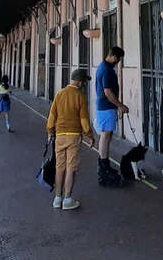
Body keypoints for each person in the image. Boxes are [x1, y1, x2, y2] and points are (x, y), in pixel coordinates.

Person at [46, 67, 93, 211]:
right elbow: (84, 121)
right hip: (74, 137)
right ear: (79, 82)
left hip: (59, 136)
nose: (84, 84)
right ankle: (67, 199)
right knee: (71, 168)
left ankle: (57, 198)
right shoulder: (80, 96)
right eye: (84, 82)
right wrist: (90, 136)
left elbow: (51, 117)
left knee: (59, 167)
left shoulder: (59, 94)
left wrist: (50, 131)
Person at [93, 46, 129, 166]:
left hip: (106, 106)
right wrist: (120, 105)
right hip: (106, 106)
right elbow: (107, 92)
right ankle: (103, 164)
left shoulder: (103, 67)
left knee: (107, 134)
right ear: (113, 57)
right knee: (105, 134)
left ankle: (104, 161)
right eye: (118, 60)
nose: (118, 62)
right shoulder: (106, 70)